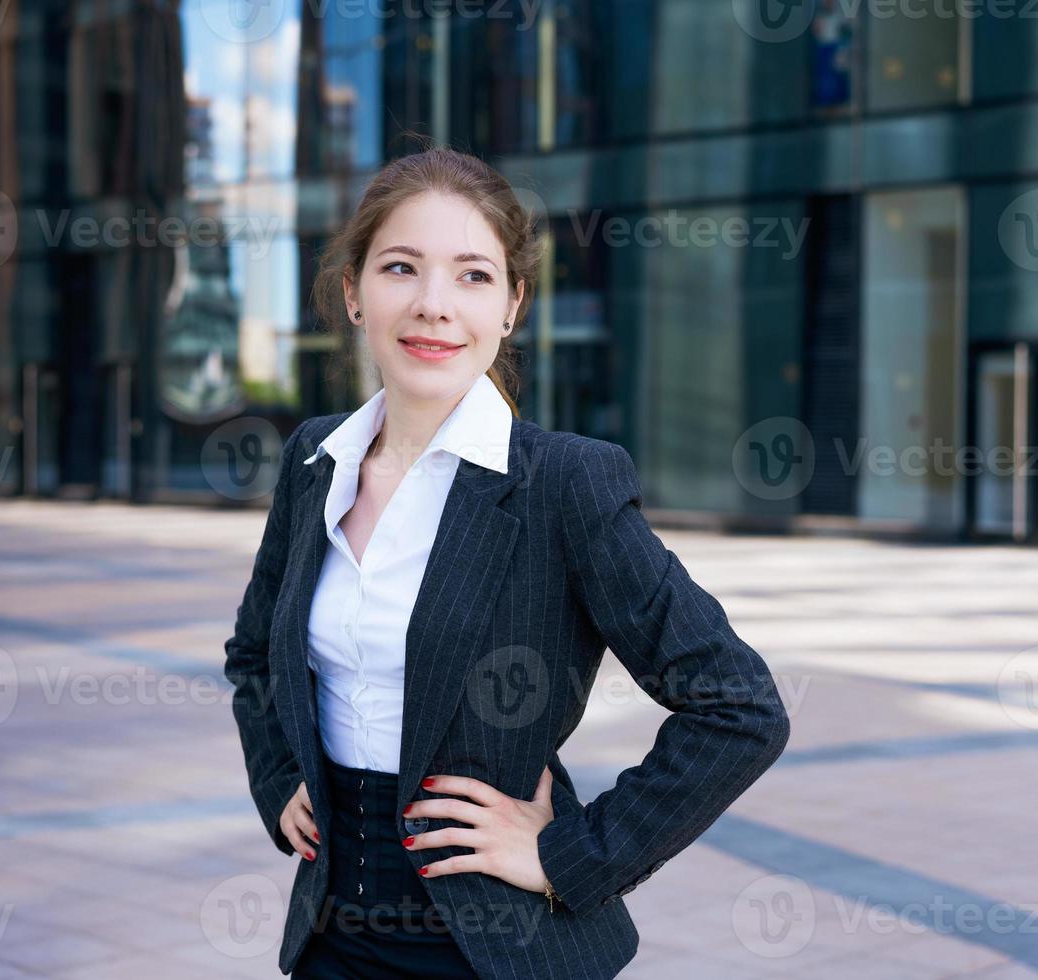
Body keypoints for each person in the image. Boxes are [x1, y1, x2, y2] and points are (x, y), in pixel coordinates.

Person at [224, 145, 791, 980]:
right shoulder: (316, 459)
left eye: (472, 276)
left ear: (513, 305)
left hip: (495, 951)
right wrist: (280, 783)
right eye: (400, 268)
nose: (432, 306)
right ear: (353, 292)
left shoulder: (563, 484)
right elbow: (252, 656)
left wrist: (573, 853)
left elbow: (738, 707)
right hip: (330, 937)